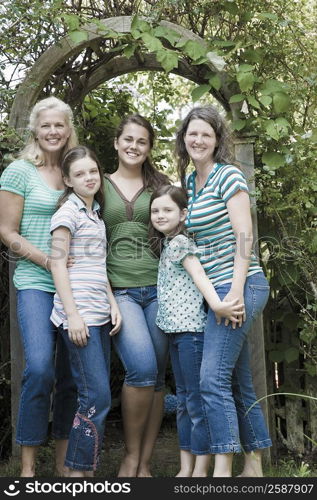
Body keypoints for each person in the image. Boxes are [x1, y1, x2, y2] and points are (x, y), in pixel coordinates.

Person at [175, 105, 272, 477]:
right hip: (215, 290)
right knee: (236, 379)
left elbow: (244, 236)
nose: (198, 140)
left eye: (206, 134)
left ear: (217, 141)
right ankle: (254, 466)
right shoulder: (188, 183)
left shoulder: (228, 176)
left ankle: (222, 471)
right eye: (192, 133)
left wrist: (232, 292)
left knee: (210, 379)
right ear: (184, 138)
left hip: (240, 285)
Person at [0, 96, 78, 477]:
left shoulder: (73, 171)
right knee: (41, 369)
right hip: (35, 280)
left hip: (75, 285)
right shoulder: (19, 171)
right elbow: (6, 231)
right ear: (35, 129)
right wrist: (48, 261)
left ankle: (64, 465)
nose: (52, 132)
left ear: (68, 129)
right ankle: (27, 467)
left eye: (59, 125)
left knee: (70, 375)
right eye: (45, 125)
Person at [149, 184, 244, 477]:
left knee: (193, 400)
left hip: (191, 332)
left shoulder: (179, 243)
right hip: (176, 333)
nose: (160, 215)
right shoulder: (167, 243)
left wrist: (217, 305)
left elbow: (199, 276)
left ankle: (201, 468)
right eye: (155, 210)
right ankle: (185, 467)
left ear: (183, 214)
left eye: (167, 210)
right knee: (183, 401)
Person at [103, 114, 170, 477]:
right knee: (141, 368)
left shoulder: (160, 185)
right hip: (121, 292)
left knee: (158, 377)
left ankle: (144, 463)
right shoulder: (98, 184)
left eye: (141, 141)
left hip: (161, 290)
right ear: (116, 142)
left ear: (148, 148)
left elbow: (179, 225)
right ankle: (130, 456)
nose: (133, 146)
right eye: (128, 139)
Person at [49, 146, 121, 476]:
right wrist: (73, 315)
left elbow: (98, 266)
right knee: (96, 396)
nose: (88, 178)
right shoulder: (67, 213)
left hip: (100, 314)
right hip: (80, 319)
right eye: (79, 174)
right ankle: (78, 473)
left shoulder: (95, 214)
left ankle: (85, 470)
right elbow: (58, 266)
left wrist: (113, 303)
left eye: (92, 171)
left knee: (95, 394)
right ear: (67, 180)